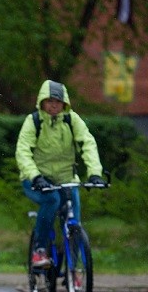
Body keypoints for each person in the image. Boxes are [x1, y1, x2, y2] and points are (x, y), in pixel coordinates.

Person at [15, 79, 106, 267]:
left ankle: (75, 271)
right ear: (42, 102)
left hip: (66, 179)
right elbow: (23, 151)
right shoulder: (34, 122)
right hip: (36, 179)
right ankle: (39, 251)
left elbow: (87, 144)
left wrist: (94, 172)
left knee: (74, 223)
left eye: (57, 101)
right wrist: (35, 176)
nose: (53, 105)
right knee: (52, 200)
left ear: (64, 103)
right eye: (49, 101)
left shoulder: (72, 120)